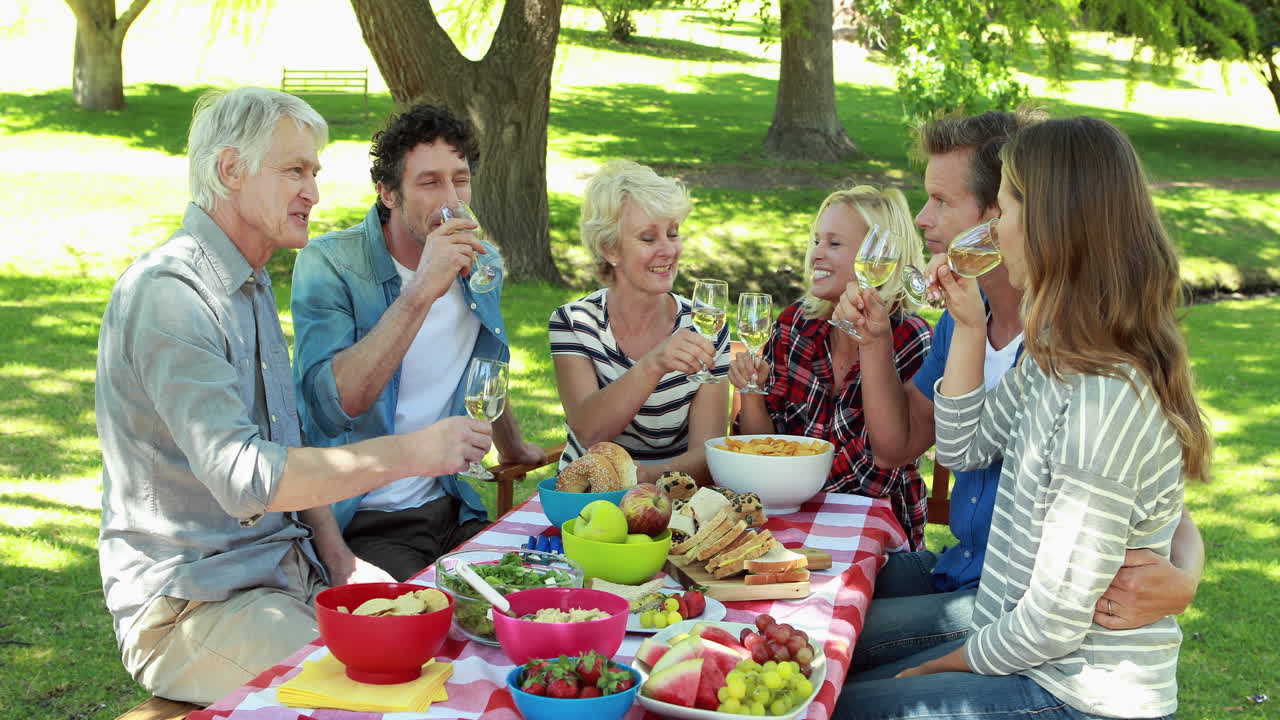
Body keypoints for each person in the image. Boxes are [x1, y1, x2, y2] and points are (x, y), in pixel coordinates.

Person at [96, 87, 492, 704]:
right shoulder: (170, 294)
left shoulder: (248, 285)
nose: (313, 192)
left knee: (452, 650)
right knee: (366, 690)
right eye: (294, 171)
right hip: (191, 603)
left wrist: (340, 559)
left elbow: (288, 439)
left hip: (289, 573)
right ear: (232, 170)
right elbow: (246, 477)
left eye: (314, 173)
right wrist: (413, 453)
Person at [835, 115, 1213, 720]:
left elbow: (1053, 622)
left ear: (1048, 226)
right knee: (827, 665)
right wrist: (968, 325)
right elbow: (962, 449)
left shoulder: (1102, 397)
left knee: (840, 703)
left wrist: (940, 667)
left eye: (1005, 210)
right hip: (1014, 634)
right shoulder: (1052, 355)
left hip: (1076, 689)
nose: (994, 231)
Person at [291, 104, 545, 582]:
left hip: (451, 502)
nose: (452, 198)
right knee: (438, 620)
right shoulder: (329, 265)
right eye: (430, 183)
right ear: (388, 193)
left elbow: (481, 364)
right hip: (363, 518)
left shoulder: (482, 263)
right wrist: (423, 287)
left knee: (538, 593)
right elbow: (334, 406)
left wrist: (511, 444)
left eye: (460, 180)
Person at [727, 186, 932, 548]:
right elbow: (761, 451)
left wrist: (787, 480)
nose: (816, 254)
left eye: (834, 244)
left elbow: (874, 475)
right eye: (816, 241)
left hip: (876, 537)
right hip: (786, 522)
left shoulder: (908, 337)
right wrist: (752, 393)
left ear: (880, 259)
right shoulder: (796, 324)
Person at [549, 160, 729, 482]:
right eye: (648, 238)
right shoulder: (574, 322)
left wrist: (644, 479)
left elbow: (709, 453)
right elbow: (589, 432)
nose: (668, 250)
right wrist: (653, 364)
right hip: (587, 497)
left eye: (672, 234)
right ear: (610, 249)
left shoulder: (706, 325)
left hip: (672, 497)